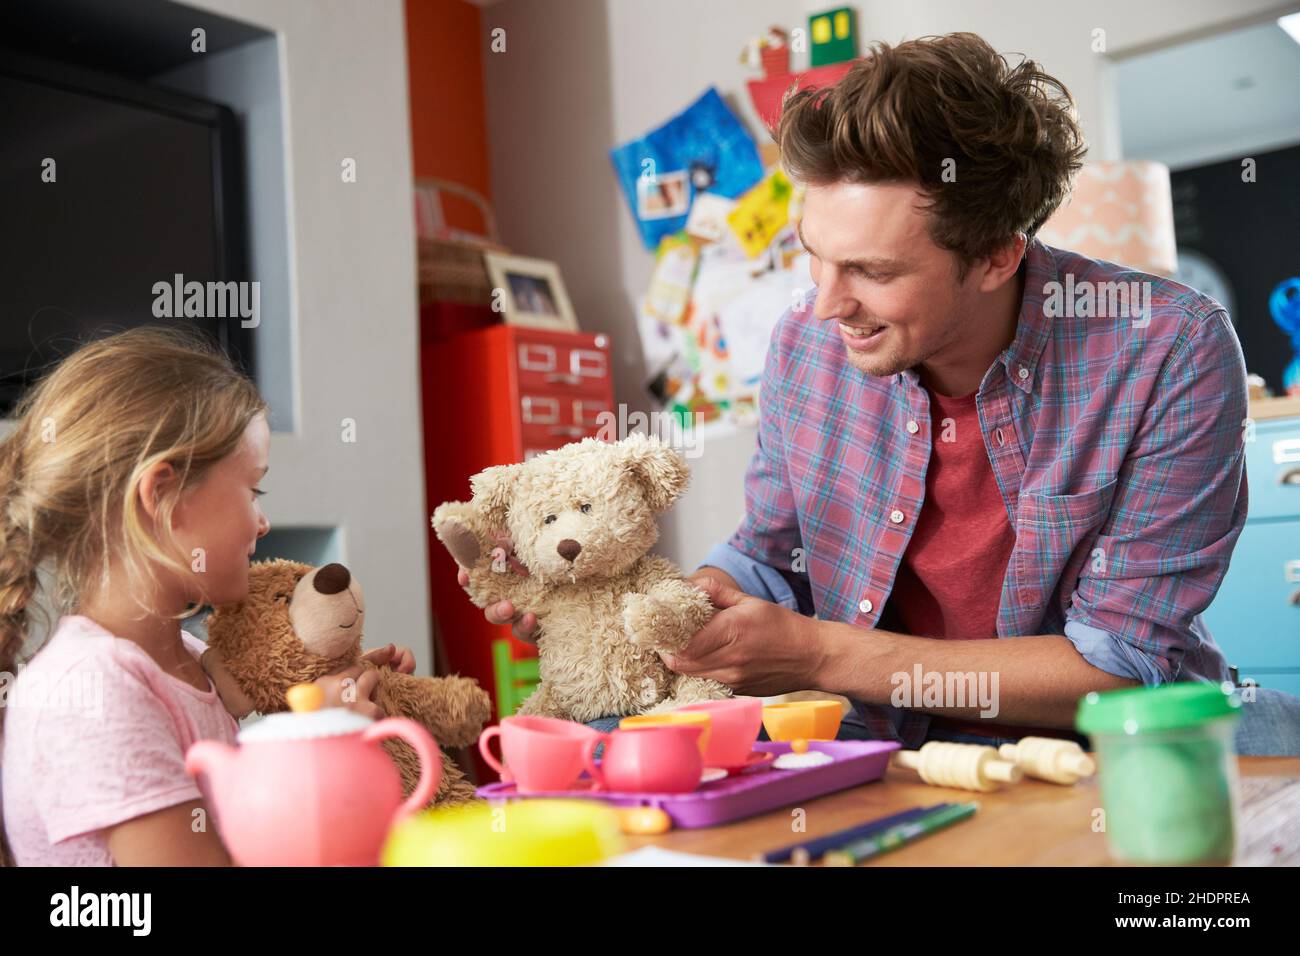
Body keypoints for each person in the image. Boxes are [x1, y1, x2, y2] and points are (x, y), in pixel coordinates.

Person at [469, 33, 1247, 750]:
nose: (828, 304)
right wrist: (692, 602)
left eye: (872, 272)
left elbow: (1119, 669)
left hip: (1103, 758)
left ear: (996, 257)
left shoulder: (1169, 350)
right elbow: (773, 553)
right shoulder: (805, 341)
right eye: (816, 256)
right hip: (868, 748)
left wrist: (821, 653)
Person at [0, 328, 414, 866]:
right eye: (253, 490)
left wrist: (320, 726)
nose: (263, 522)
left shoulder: (193, 659)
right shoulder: (94, 690)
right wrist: (327, 762)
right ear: (163, 495)